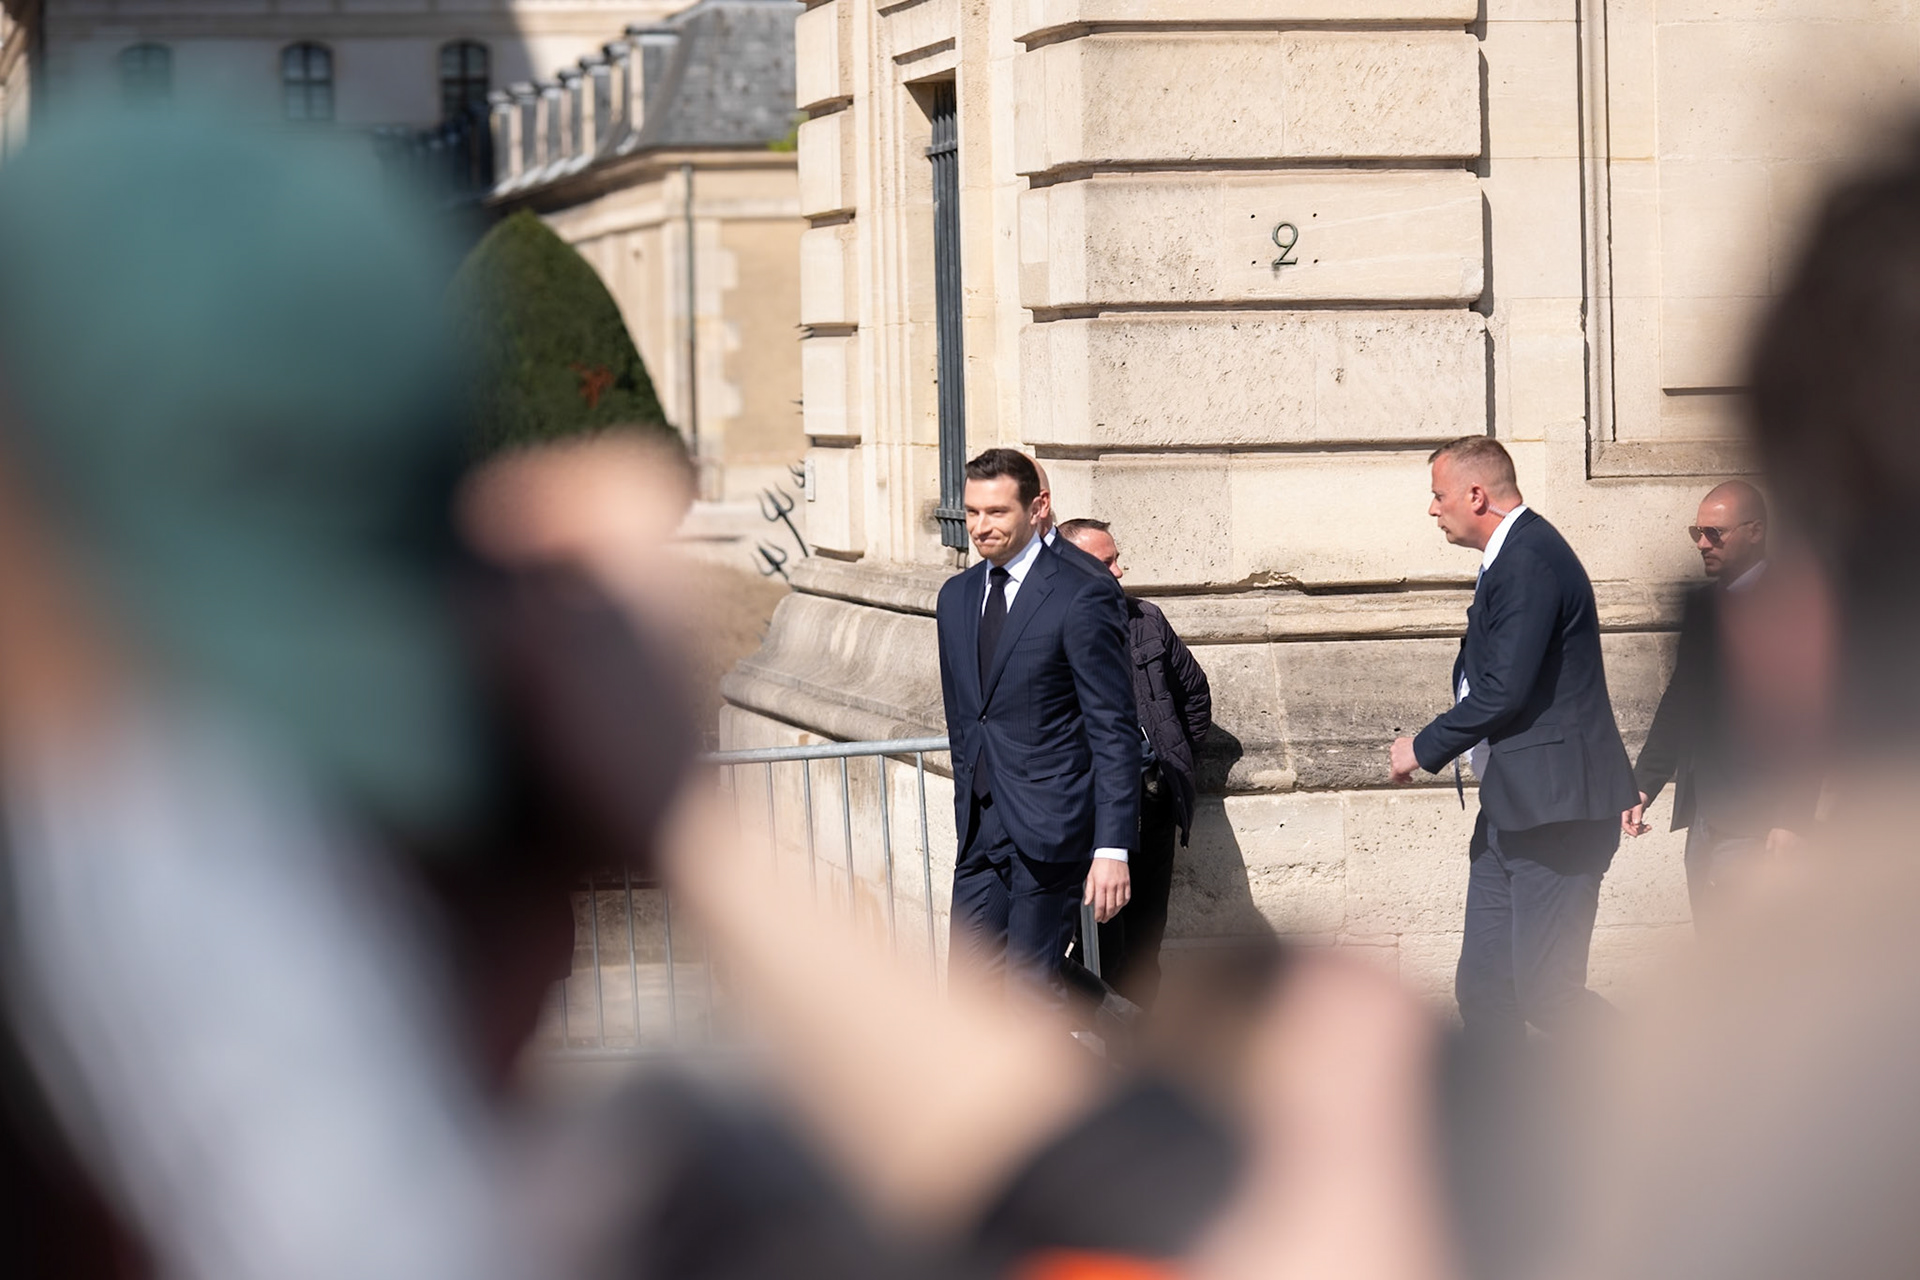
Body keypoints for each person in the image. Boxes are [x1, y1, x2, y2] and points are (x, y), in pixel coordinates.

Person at [1388, 437, 1638, 1049]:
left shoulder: (1528, 558)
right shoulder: (1514, 555)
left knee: (1547, 994)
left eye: (1438, 495)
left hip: (1556, 813)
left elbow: (1504, 689)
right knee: (1485, 990)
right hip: (1515, 807)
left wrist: (1422, 748)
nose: (1432, 509)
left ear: (1476, 495)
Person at [936, 449, 1139, 1001]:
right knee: (970, 994)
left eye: (997, 512)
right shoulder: (955, 598)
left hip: (1053, 830)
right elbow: (965, 720)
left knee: (1028, 995)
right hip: (981, 831)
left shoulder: (1082, 590)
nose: (981, 527)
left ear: (1038, 507)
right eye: (973, 512)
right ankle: (1120, 1028)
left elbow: (1113, 728)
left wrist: (1111, 848)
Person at [1620, 481, 1814, 923]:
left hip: (1761, 823)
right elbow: (1680, 699)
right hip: (1706, 817)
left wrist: (1793, 817)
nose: (1703, 544)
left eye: (1715, 533)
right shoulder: (1707, 606)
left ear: (1755, 531)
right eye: (1697, 533)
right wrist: (1643, 783)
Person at [1058, 518, 1213, 1009]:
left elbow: (1194, 696)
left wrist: (1170, 758)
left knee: (1146, 945)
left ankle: (1143, 1060)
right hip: (1092, 816)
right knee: (1098, 947)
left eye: (1117, 557)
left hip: (1155, 802)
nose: (1120, 571)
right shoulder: (1048, 633)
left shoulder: (1145, 619)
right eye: (1107, 563)